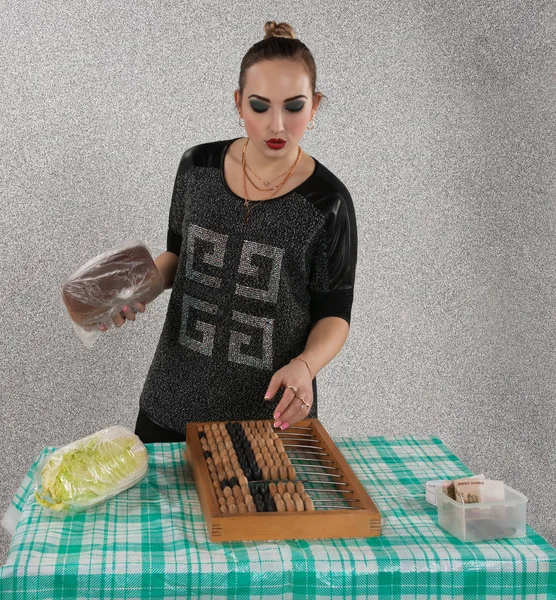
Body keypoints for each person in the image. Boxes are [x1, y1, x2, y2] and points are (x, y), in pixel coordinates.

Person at [105, 21, 358, 443]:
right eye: (260, 106)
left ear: (314, 106)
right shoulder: (197, 166)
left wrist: (307, 366)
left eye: (294, 107)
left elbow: (335, 313)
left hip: (268, 414)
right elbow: (178, 257)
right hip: (172, 399)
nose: (277, 125)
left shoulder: (328, 203)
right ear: (239, 103)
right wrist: (139, 285)